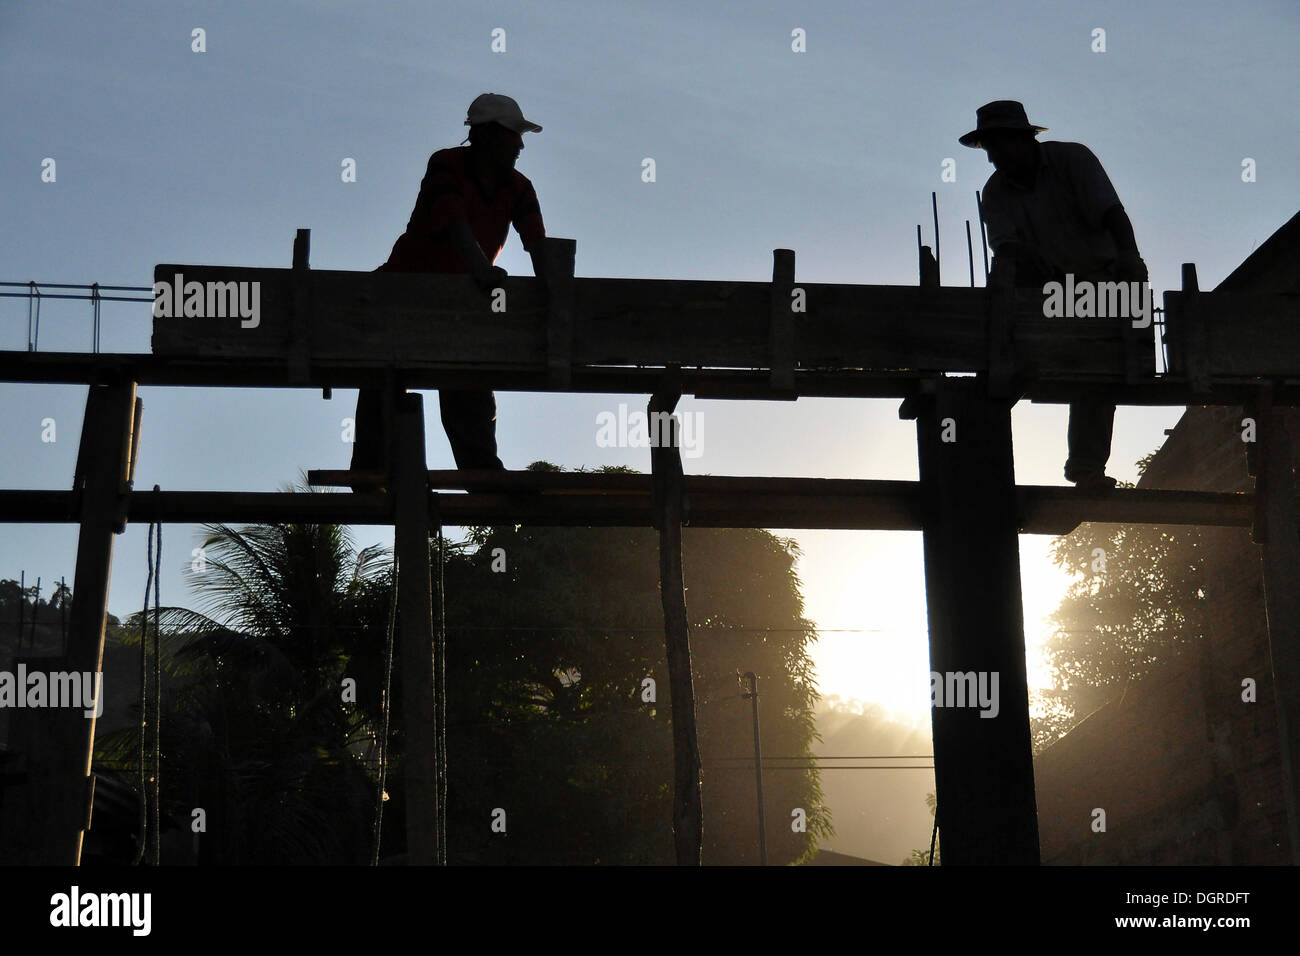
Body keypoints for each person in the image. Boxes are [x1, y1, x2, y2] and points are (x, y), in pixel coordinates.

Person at [350, 93, 549, 490]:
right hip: (404, 291)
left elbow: (539, 248)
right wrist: (483, 271)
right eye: (514, 136)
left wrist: (555, 299)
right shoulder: (446, 165)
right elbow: (455, 225)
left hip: (464, 302)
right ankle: (370, 471)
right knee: (383, 373)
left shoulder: (519, 188)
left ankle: (480, 473)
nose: (520, 146)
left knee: (469, 381)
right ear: (489, 135)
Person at [961, 100, 1148, 491]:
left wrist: (1130, 258)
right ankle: (976, 459)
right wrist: (1028, 262)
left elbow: (1113, 214)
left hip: (1102, 282)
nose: (993, 158)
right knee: (1016, 355)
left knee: (1097, 366)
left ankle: (1085, 467)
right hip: (1046, 292)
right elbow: (1007, 249)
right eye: (988, 149)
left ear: (1023, 139)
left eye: (997, 146)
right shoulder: (995, 193)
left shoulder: (1073, 160)